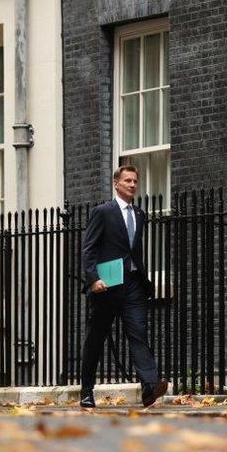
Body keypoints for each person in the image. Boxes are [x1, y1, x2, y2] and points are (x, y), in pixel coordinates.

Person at [80, 165, 168, 408]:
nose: (132, 185)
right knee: (96, 338)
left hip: (133, 285)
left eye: (135, 181)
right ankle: (86, 391)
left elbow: (133, 251)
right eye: (127, 180)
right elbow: (89, 248)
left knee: (138, 333)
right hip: (107, 286)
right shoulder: (103, 212)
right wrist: (93, 278)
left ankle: (150, 387)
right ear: (115, 184)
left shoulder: (139, 214)